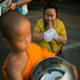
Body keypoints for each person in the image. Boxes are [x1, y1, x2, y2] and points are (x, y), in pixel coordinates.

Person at [0, 11, 77, 80]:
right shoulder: (14, 66)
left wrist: (69, 66)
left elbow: (49, 56)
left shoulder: (33, 47)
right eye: (21, 40)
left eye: (28, 34)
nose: (27, 41)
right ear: (7, 42)